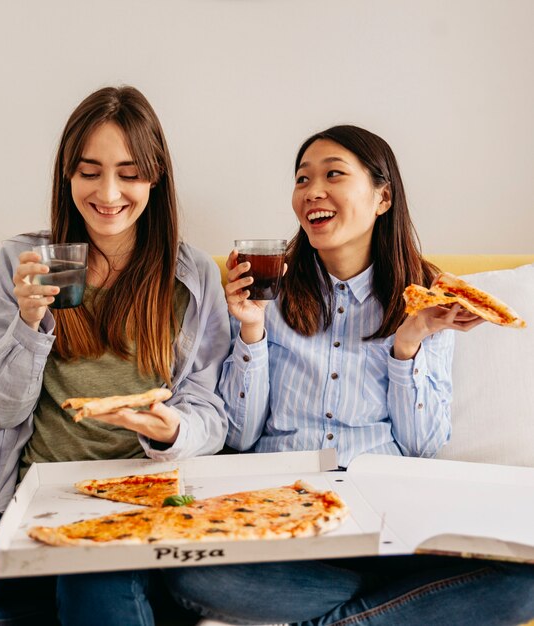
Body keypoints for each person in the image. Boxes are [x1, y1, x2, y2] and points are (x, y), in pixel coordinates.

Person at [164, 125, 534, 625]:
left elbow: (423, 446)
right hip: (285, 525)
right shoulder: (264, 288)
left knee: (520, 583)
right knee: (192, 576)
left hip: (389, 525)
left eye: (333, 174)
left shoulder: (427, 296)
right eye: (302, 179)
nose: (312, 191)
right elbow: (240, 433)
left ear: (382, 197)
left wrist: (408, 343)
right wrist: (251, 330)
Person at [0, 85, 230, 626]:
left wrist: (169, 430)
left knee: (94, 593)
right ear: (68, 175)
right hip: (38, 502)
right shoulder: (23, 261)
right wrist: (29, 323)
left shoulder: (189, 276)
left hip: (138, 503)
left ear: (155, 177)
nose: (108, 192)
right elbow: (1, 411)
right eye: (90, 171)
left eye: (129, 173)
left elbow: (213, 415)